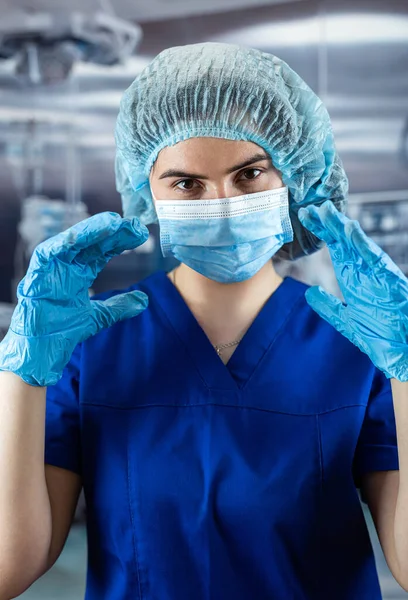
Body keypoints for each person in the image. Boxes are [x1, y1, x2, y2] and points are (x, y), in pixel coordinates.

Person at [0, 42, 407, 600]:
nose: (221, 201)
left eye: (249, 174)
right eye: (187, 184)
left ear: (293, 177)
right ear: (148, 193)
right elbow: (9, 568)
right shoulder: (90, 345)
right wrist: (20, 374)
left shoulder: (359, 344)